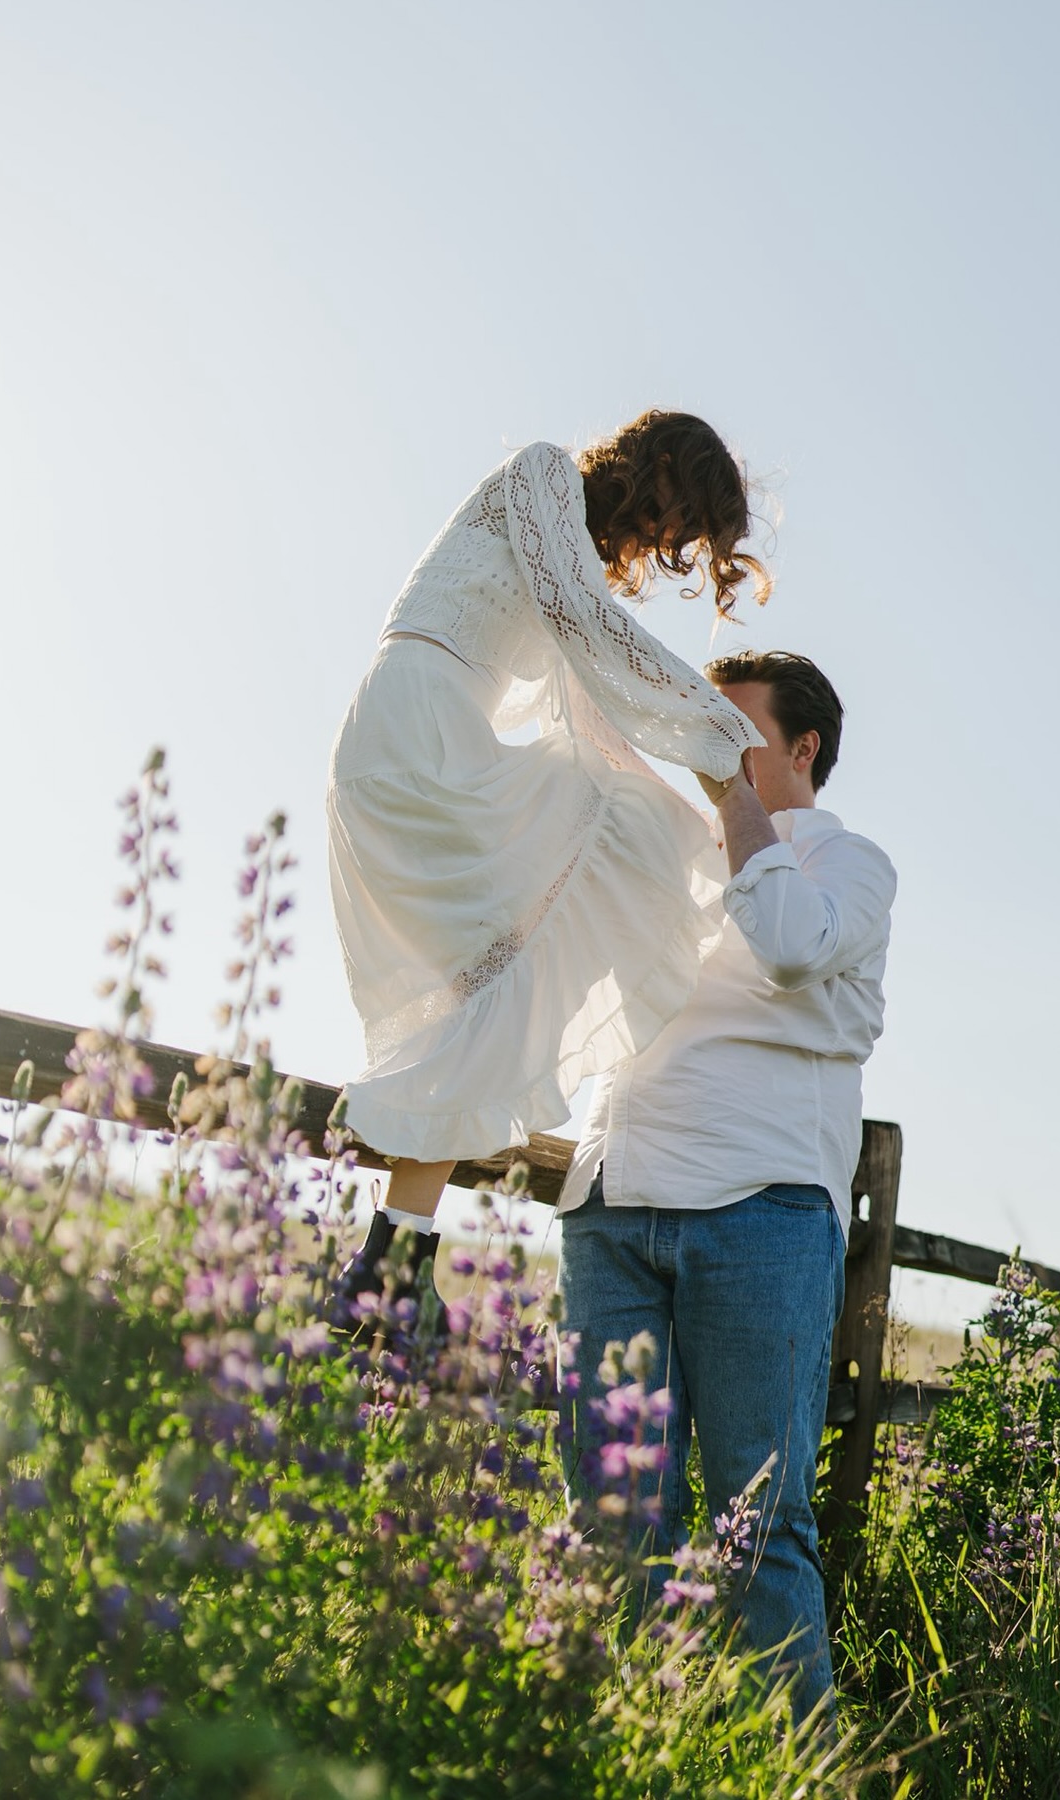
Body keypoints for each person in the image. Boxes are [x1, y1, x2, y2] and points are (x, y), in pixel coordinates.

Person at [327, 411, 771, 1301]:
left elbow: (598, 722)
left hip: (422, 735)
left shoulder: (562, 553)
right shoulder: (540, 477)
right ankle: (394, 1264)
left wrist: (706, 821)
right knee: (589, 873)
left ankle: (391, 1263)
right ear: (654, 470)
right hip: (418, 726)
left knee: (492, 983)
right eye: (676, 517)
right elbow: (586, 625)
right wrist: (720, 740)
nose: (667, 541)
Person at [555, 648, 896, 1729]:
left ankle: (790, 1769)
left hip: (761, 1210)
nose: (712, 753)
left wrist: (732, 804)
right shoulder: (666, 849)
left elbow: (792, 946)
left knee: (759, 1525)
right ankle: (635, 1749)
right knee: (615, 1516)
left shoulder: (851, 864)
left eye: (734, 731)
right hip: (614, 1204)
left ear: (802, 748)